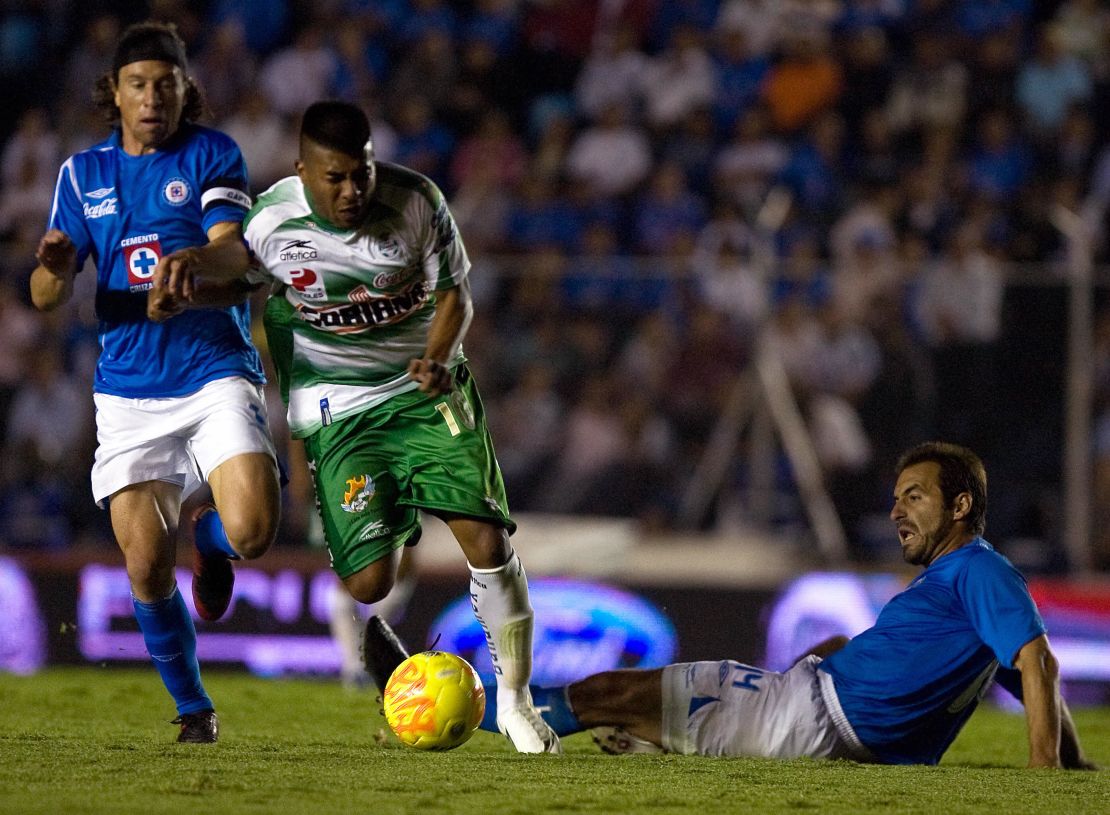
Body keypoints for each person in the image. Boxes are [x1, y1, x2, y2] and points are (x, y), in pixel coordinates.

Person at [371, 442, 1097, 767]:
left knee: (604, 692)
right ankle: (635, 729)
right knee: (630, 701)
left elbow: (1038, 662)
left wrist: (1046, 775)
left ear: (962, 504)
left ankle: (447, 701)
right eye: (896, 495)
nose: (898, 510)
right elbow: (1021, 668)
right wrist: (1071, 764)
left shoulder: (977, 569)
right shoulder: (965, 581)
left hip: (807, 717)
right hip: (811, 703)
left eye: (916, 496)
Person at [226, 100, 559, 753]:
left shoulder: (416, 201)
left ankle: (519, 704)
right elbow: (230, 266)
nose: (352, 191)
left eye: (362, 174)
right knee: (369, 583)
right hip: (343, 413)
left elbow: (455, 296)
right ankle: (376, 634)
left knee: (487, 541)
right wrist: (189, 269)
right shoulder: (270, 221)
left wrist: (436, 357)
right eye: (336, 178)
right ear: (303, 171)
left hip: (425, 392)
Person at [29, 21, 281, 744]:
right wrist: (51, 265)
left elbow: (237, 257)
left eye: (165, 86)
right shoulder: (82, 175)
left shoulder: (212, 154)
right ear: (114, 92)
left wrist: (197, 268)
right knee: (144, 563)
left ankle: (213, 532)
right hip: (130, 391)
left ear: (183, 92)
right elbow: (46, 295)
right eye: (138, 85)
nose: (152, 98)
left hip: (212, 371)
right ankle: (195, 711)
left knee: (256, 533)